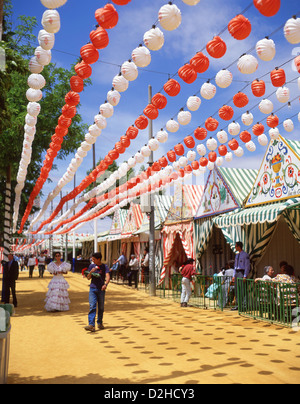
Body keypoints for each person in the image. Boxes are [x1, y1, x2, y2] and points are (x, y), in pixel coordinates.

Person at [85, 252, 110, 332]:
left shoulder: (104, 266)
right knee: (92, 306)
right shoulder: (91, 266)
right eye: (92, 259)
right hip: (93, 288)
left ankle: (99, 322)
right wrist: (91, 272)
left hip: (101, 289)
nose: (93, 261)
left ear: (99, 259)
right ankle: (91, 325)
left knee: (101, 307)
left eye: (94, 259)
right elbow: (88, 278)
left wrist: (105, 284)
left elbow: (108, 276)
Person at [231, 242, 251, 311]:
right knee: (237, 290)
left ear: (239, 247)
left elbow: (247, 266)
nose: (235, 248)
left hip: (242, 272)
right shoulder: (237, 255)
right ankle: (238, 305)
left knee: (242, 290)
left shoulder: (245, 255)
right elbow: (235, 266)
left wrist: (245, 275)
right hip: (237, 272)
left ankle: (244, 305)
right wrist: (234, 275)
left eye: (236, 246)